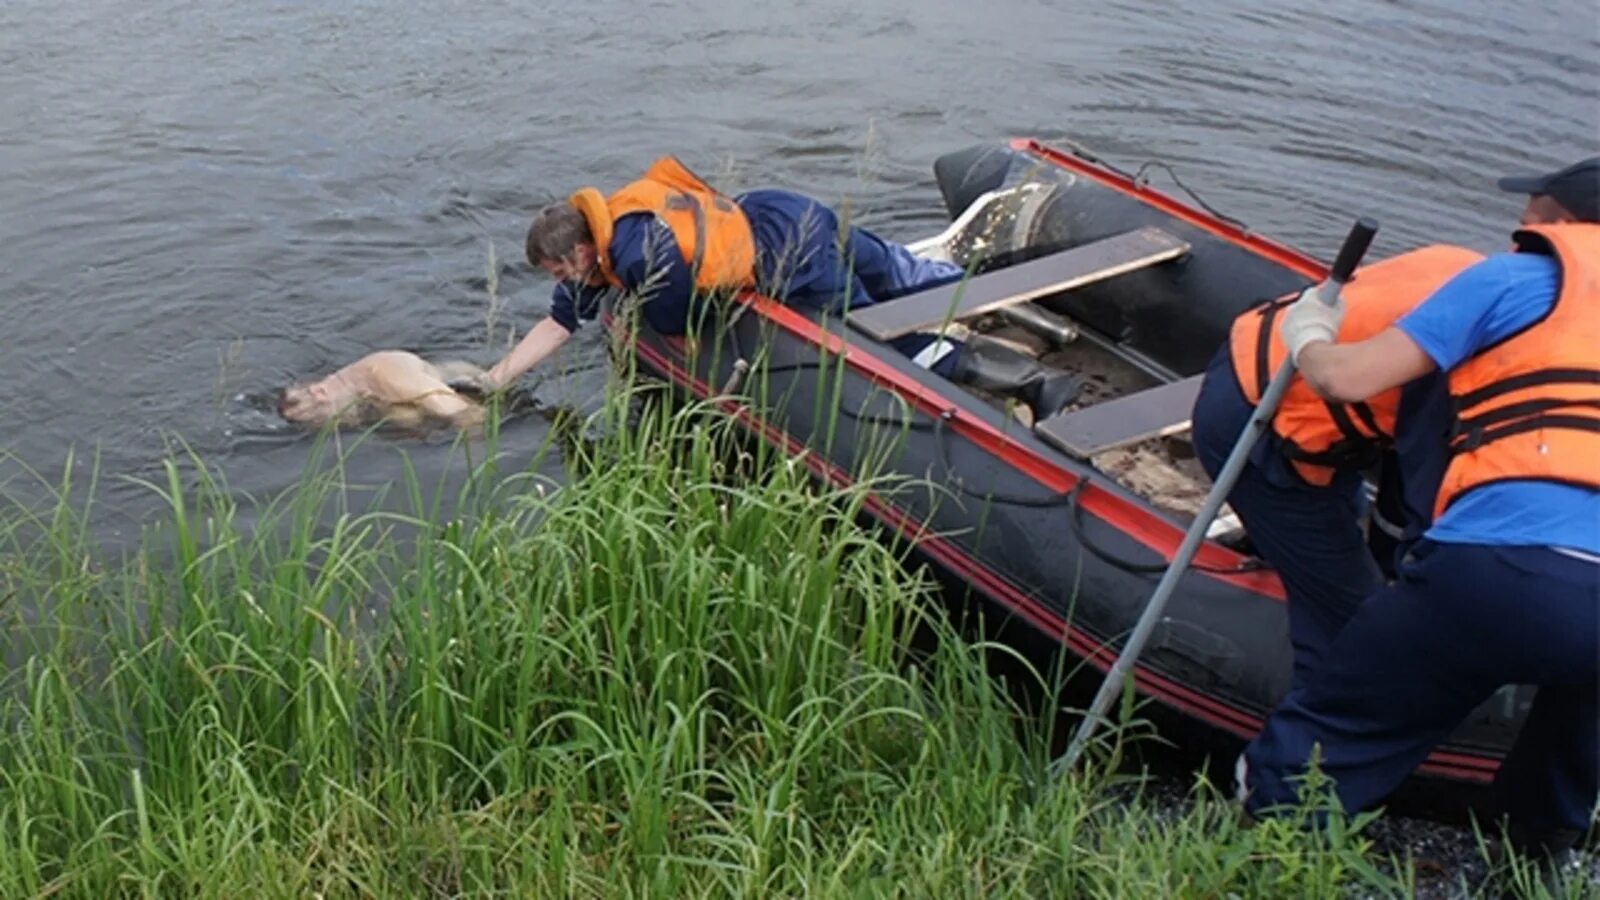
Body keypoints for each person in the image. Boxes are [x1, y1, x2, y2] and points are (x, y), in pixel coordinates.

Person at [1237, 156, 1600, 863]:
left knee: (1334, 727)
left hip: (1502, 568)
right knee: (1572, 752)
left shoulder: (1510, 279)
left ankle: (1264, 855)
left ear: (1564, 224)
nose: (1519, 223)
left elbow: (1348, 379)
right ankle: (1538, 865)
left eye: (1534, 210)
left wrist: (1311, 330)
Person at [478, 156, 1081, 417]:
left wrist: (675, 335)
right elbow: (561, 321)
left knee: (872, 338)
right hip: (781, 209)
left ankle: (1033, 382)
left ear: (579, 250)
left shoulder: (632, 248)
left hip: (788, 258)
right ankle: (985, 296)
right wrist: (497, 378)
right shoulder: (611, 229)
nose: (563, 281)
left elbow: (671, 280)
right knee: (895, 270)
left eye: (560, 270)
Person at [1192, 241, 1482, 690]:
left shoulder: (1476, 271)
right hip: (1264, 420)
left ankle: (1304, 553)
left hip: (1277, 366)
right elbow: (1428, 489)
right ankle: (1311, 746)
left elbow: (1404, 489)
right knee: (1352, 627)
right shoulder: (1473, 352)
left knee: (1352, 515)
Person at [280, 350, 489, 431]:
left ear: (320, 393)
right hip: (439, 378)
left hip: (466, 383)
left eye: (321, 420)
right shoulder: (369, 392)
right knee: (405, 417)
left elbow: (469, 413)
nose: (338, 424)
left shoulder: (386, 376)